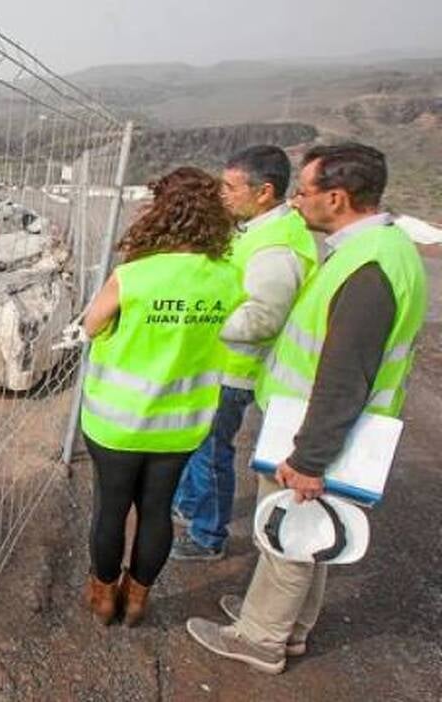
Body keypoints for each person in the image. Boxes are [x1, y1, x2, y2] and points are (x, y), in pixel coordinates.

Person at [187, 143, 428, 673]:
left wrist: (310, 457)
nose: (297, 202)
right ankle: (288, 626)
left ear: (337, 198)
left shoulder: (370, 269)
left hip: (316, 427)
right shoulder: (380, 250)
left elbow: (345, 374)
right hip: (318, 421)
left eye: (305, 191)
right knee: (311, 529)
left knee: (287, 534)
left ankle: (261, 638)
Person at [79, 167, 243, 626]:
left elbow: (92, 326)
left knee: (110, 508)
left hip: (117, 421)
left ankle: (103, 597)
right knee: (157, 510)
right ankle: (137, 600)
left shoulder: (133, 276)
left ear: (159, 212)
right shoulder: (228, 279)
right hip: (182, 424)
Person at [171, 146, 318, 560]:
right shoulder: (256, 231)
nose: (223, 194)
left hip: (232, 371)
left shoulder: (277, 246)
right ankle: (190, 505)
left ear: (264, 191)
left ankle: (208, 536)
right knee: (198, 446)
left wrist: (198, 319)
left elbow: (262, 319)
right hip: (217, 363)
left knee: (212, 452)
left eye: (231, 187)